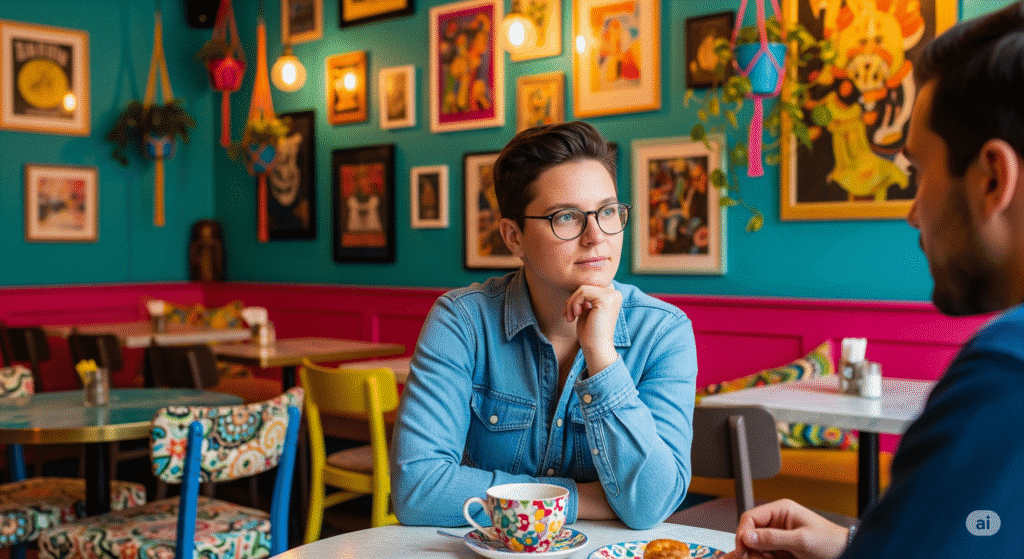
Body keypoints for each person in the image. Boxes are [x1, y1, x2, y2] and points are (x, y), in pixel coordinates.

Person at [723, 3, 1024, 557]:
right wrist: (855, 544)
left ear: (993, 179)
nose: (912, 212)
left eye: (917, 171)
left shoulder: (1004, 378)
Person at [390, 121, 698, 529]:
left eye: (607, 211)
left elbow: (652, 504)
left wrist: (602, 358)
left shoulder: (662, 333)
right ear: (513, 237)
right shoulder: (462, 323)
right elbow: (417, 491)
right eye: (566, 217)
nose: (596, 236)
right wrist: (581, 498)